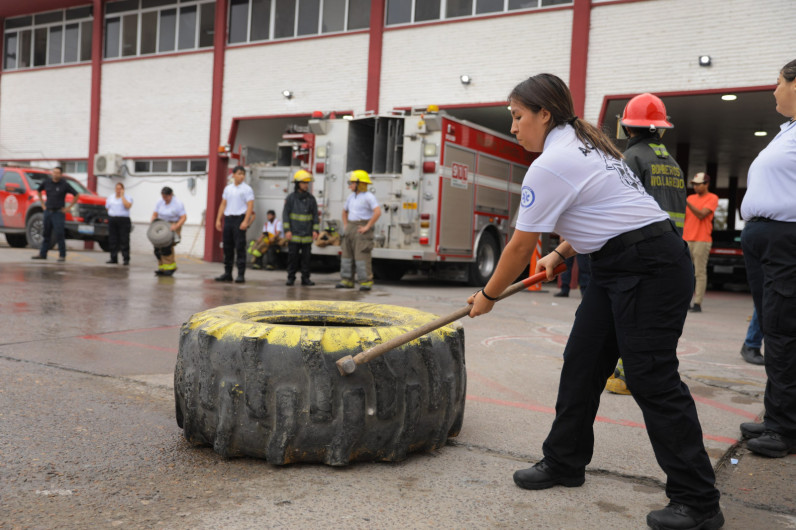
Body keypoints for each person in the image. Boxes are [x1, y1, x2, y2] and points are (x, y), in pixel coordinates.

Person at [467, 73, 722, 530]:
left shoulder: (555, 160)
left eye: (517, 117)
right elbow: (607, 210)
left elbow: (517, 247)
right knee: (583, 362)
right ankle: (564, 461)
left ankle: (698, 501)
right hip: (615, 264)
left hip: (649, 268)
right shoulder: (588, 145)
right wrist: (564, 251)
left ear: (544, 114)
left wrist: (488, 295)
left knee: (652, 379)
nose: (513, 127)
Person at [606, 93, 686, 394]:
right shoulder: (673, 164)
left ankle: (627, 375)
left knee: (631, 314)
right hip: (673, 251)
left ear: (627, 128)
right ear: (661, 129)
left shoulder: (630, 159)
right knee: (655, 316)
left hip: (638, 252)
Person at [737, 58, 796, 458]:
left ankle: (785, 428)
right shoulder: (787, 132)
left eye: (778, 83)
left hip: (785, 240)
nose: (773, 90)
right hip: (765, 239)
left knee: (782, 331)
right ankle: (778, 414)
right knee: (776, 330)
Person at [336, 170, 382, 291]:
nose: (349, 185)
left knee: (362, 256)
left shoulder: (369, 197)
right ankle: (347, 280)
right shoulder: (351, 196)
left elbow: (377, 212)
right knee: (346, 255)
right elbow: (344, 211)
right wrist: (346, 225)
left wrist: (367, 226)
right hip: (351, 227)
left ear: (359, 183)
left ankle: (365, 282)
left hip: (362, 228)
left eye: (351, 182)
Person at [683, 172, 719, 313]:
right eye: (694, 184)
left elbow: (701, 214)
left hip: (702, 239)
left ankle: (697, 303)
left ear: (707, 184)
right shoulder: (691, 197)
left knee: (699, 272)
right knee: (686, 272)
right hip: (687, 238)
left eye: (698, 184)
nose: (696, 187)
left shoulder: (712, 198)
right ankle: (685, 302)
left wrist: (686, 202)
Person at [214, 166, 255, 283]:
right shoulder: (228, 188)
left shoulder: (247, 189)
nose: (241, 176)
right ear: (233, 175)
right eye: (239, 174)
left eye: (243, 174)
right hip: (228, 219)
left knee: (240, 247)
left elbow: (250, 206)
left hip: (240, 219)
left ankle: (241, 274)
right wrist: (218, 219)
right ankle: (227, 273)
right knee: (227, 247)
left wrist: (245, 221)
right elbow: (223, 204)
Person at [31, 166, 78, 262]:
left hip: (59, 213)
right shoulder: (47, 182)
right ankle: (42, 254)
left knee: (59, 234)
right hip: (48, 211)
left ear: (61, 174)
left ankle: (62, 255)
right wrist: (43, 205)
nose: (55, 174)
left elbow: (76, 194)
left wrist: (69, 208)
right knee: (46, 233)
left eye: (57, 173)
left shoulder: (64, 184)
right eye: (54, 172)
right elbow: (39, 190)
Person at [282, 169, 319, 286]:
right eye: (304, 183)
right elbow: (285, 215)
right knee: (292, 258)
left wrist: (315, 230)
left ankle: (305, 278)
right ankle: (291, 278)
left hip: (307, 234)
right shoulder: (291, 198)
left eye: (307, 183)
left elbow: (315, 216)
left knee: (306, 259)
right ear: (297, 184)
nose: (306, 185)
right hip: (294, 234)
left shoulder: (311, 199)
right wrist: (287, 230)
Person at [151, 186, 186, 276]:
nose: (165, 199)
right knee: (158, 247)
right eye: (163, 197)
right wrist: (153, 222)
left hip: (173, 224)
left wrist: (176, 225)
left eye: (166, 197)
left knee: (166, 246)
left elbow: (183, 217)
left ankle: (170, 268)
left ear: (171, 195)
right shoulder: (160, 201)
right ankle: (162, 268)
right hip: (162, 224)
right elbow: (155, 214)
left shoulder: (178, 203)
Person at [105, 182, 133, 265]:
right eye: (117, 189)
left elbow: (127, 206)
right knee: (113, 239)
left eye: (120, 189)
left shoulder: (128, 197)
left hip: (123, 220)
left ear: (123, 190)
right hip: (113, 219)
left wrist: (122, 196)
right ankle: (113, 258)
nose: (118, 190)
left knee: (124, 240)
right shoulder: (111, 197)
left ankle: (126, 258)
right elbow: (107, 208)